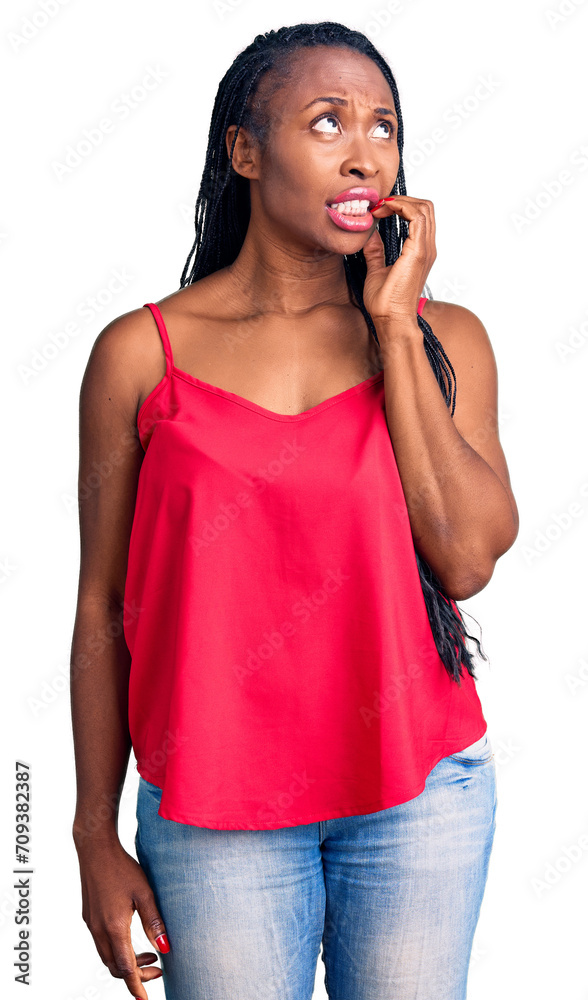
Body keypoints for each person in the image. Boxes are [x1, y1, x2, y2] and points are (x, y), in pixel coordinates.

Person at [70, 20, 519, 1000]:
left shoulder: (448, 339)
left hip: (420, 793)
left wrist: (396, 325)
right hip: (215, 813)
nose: (366, 152)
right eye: (327, 122)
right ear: (244, 149)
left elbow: (468, 560)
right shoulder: (140, 356)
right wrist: (90, 832)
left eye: (384, 127)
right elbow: (102, 609)